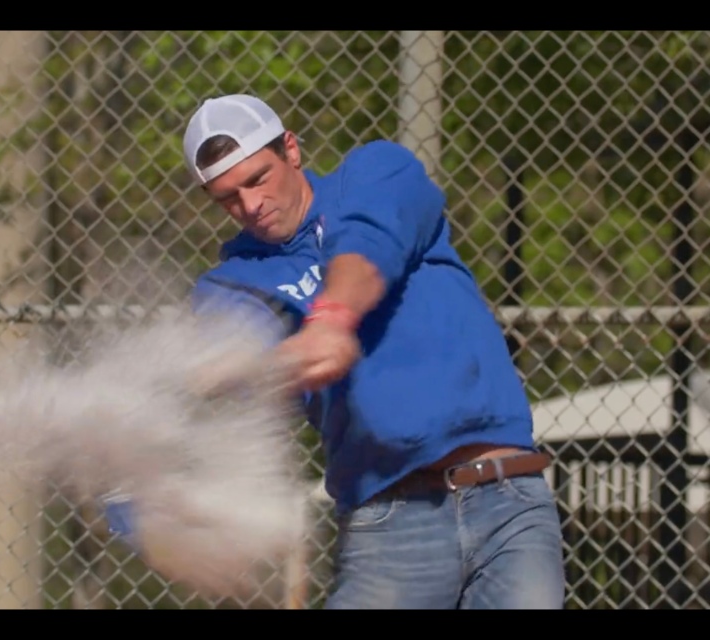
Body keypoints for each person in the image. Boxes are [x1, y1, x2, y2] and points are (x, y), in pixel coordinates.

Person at [173, 93, 567, 609]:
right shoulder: (234, 282)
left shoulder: (377, 173)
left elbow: (370, 240)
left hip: (508, 500)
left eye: (257, 179)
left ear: (290, 149)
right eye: (225, 197)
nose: (249, 206)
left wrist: (332, 318)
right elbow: (232, 356)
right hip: (391, 523)